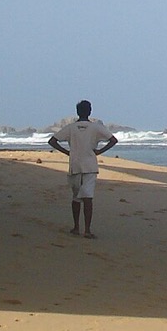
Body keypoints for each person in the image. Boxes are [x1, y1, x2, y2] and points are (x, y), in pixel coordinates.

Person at [47, 100, 118, 239]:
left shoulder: (71, 128)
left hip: (75, 165)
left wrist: (68, 152)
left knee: (76, 198)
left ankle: (76, 227)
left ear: (77, 112)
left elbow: (52, 141)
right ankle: (87, 230)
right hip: (90, 166)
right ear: (90, 111)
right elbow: (113, 140)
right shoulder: (95, 128)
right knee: (88, 198)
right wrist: (99, 151)